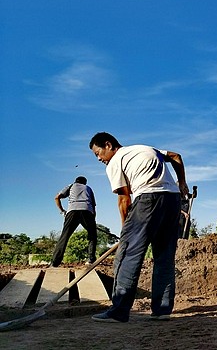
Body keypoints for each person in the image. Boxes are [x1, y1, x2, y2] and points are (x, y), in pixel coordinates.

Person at [89, 132, 189, 323]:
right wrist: (182, 182)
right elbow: (176, 157)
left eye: (98, 153)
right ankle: (162, 310)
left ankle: (118, 311)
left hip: (148, 199)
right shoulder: (144, 148)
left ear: (108, 145)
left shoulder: (115, 161)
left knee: (127, 256)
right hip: (173, 200)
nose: (99, 159)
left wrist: (125, 232)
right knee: (164, 256)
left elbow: (124, 199)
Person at [51, 176, 97, 267]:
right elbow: (93, 206)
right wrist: (92, 220)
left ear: (76, 181)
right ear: (85, 183)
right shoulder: (88, 188)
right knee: (92, 235)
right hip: (87, 211)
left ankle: (55, 262)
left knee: (64, 236)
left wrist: (62, 211)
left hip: (72, 211)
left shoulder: (71, 186)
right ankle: (90, 259)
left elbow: (57, 198)